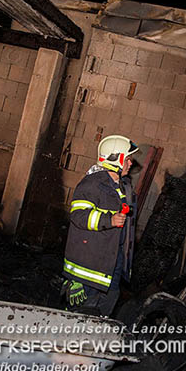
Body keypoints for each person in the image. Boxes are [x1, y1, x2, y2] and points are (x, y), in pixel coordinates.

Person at [62, 135, 138, 316]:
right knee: (80, 314)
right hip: (88, 269)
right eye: (128, 159)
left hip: (111, 262)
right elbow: (78, 216)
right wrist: (109, 220)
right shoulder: (92, 184)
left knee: (105, 309)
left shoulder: (121, 186)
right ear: (116, 160)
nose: (131, 164)